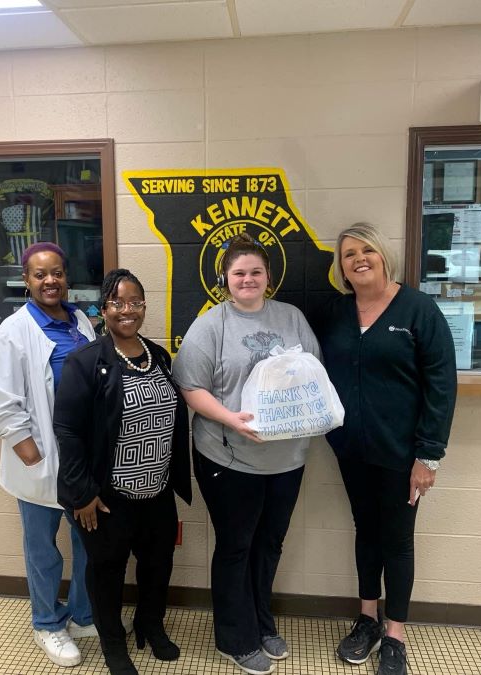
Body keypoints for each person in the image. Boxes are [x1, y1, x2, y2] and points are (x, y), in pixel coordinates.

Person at [172, 233, 321, 675]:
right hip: (228, 458)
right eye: (239, 273)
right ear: (225, 279)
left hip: (286, 460)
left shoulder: (291, 317)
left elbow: (312, 374)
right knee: (236, 546)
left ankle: (261, 621)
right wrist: (232, 419)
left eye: (256, 271)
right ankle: (234, 638)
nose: (248, 279)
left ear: (268, 276)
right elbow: (190, 388)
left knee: (270, 543)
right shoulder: (211, 325)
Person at [312, 222, 457, 675]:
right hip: (351, 450)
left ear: (382, 255)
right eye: (349, 254)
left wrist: (427, 456)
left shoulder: (418, 310)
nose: (359, 259)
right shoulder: (336, 312)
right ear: (341, 267)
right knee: (365, 531)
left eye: (366, 250)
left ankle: (395, 635)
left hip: (402, 456)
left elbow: (442, 386)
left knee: (397, 540)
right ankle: (367, 619)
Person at [54, 268, 192, 675]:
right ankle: (114, 643)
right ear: (103, 309)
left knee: (157, 566)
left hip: (157, 493)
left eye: (135, 302)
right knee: (107, 574)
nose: (126, 310)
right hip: (107, 498)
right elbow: (68, 430)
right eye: (117, 302)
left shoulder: (159, 355)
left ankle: (150, 625)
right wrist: (81, 494)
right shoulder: (85, 362)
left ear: (144, 306)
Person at [0, 242, 97, 668]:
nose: (50, 281)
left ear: (66, 276)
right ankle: (48, 624)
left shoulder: (81, 320)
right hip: (42, 459)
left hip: (81, 456)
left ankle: (84, 616)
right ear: (26, 280)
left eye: (57, 273)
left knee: (89, 540)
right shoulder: (15, 330)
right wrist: (31, 455)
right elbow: (1, 403)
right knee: (43, 549)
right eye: (39, 274)